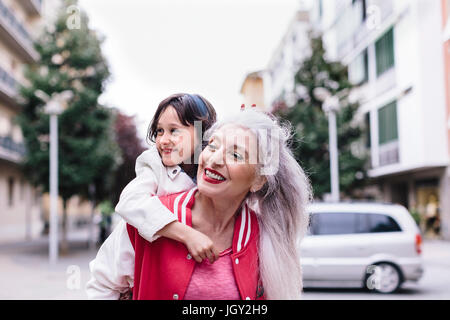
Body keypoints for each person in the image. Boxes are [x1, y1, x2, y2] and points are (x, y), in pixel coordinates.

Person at [86, 108, 312, 300]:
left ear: (258, 180)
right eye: (212, 146)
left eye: (235, 155)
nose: (213, 160)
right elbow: (101, 286)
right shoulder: (148, 217)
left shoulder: (264, 238)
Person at [114, 93, 220, 264]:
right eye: (159, 131)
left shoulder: (211, 171)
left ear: (202, 132)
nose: (163, 140)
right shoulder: (153, 165)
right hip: (118, 273)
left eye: (174, 130)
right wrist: (188, 235)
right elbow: (130, 202)